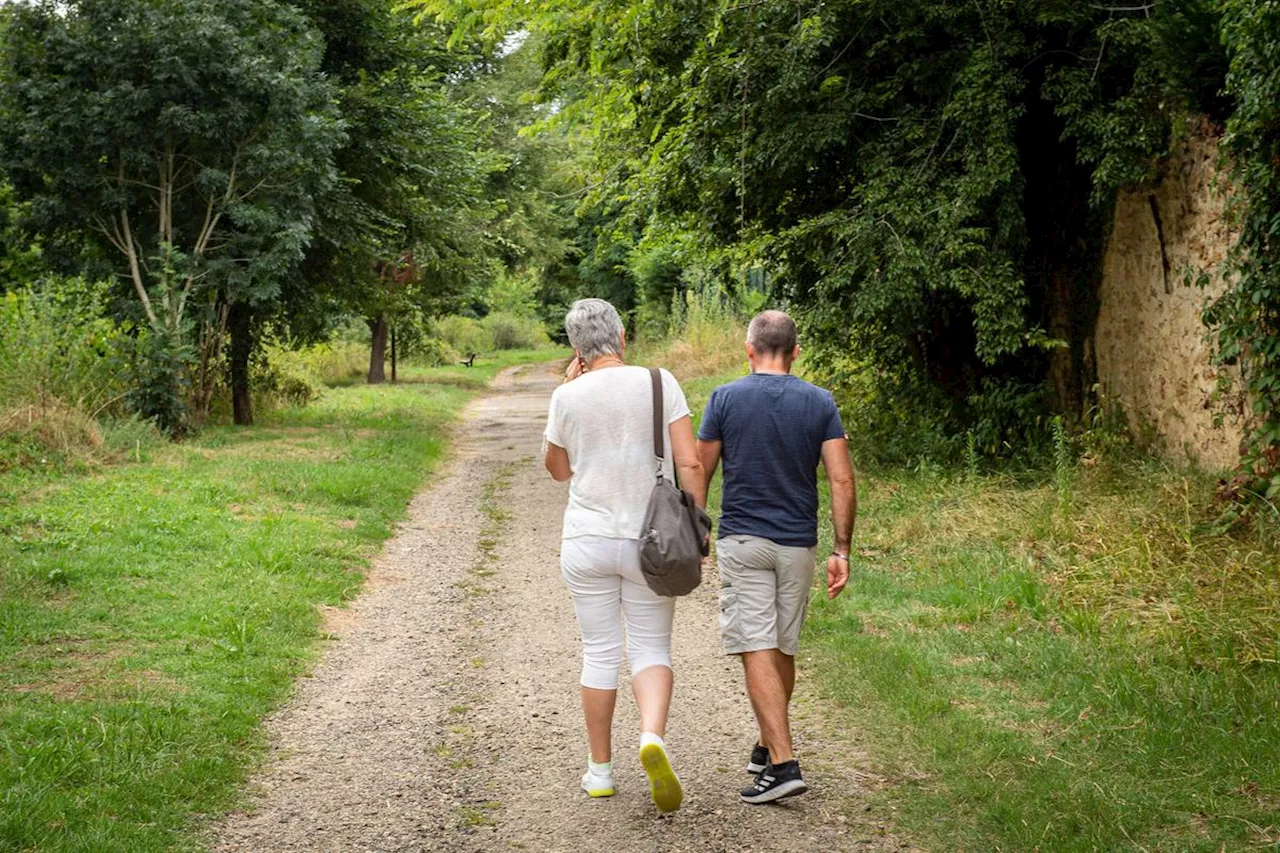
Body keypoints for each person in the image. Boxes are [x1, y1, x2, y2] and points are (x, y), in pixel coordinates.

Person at [543, 298, 707, 813]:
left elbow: (557, 470)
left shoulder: (566, 396)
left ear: (577, 348)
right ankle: (651, 736)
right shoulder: (660, 382)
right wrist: (697, 529)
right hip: (652, 541)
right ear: (622, 337)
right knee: (652, 647)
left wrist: (566, 391)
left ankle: (599, 771)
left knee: (599, 651)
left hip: (588, 540)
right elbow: (690, 463)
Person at [696, 310, 857, 804]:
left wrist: (695, 530)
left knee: (756, 646)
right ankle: (768, 746)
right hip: (798, 544)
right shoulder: (820, 402)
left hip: (744, 541)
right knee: (780, 647)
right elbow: (841, 479)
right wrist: (841, 549)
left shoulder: (725, 397)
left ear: (749, 349)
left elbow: (699, 471)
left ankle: (785, 764)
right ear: (796, 352)